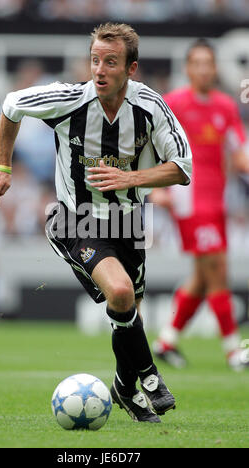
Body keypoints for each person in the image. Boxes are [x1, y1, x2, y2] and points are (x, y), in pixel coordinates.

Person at [0, 23, 192, 423]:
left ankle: (123, 388)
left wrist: (130, 178)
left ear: (131, 69)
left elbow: (182, 168)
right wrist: (1, 165)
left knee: (128, 310)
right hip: (73, 218)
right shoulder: (70, 100)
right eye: (95, 60)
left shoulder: (150, 107)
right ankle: (149, 377)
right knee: (121, 291)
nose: (99, 69)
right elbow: (12, 105)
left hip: (128, 223)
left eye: (110, 62)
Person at [151, 39, 249, 371]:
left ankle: (166, 341)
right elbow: (149, 144)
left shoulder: (225, 105)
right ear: (188, 67)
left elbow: (239, 154)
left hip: (217, 199)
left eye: (209, 63)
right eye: (198, 63)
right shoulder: (173, 103)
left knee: (203, 275)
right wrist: (154, 189)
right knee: (218, 270)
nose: (204, 69)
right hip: (188, 199)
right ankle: (234, 351)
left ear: (216, 68)